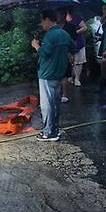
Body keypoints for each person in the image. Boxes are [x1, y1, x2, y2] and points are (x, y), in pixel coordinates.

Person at [31, 10, 75, 141]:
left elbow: (44, 53)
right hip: (58, 73)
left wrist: (36, 46)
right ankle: (55, 128)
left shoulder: (50, 35)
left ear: (47, 20)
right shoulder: (64, 33)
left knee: (47, 104)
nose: (41, 24)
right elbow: (73, 48)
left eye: (42, 21)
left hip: (47, 74)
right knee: (55, 102)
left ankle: (49, 132)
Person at [56, 9, 77, 103]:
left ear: (64, 15)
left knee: (65, 74)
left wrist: (71, 53)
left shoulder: (71, 27)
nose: (57, 17)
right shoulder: (54, 28)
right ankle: (57, 93)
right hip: (56, 54)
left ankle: (65, 94)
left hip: (67, 53)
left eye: (59, 14)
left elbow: (73, 41)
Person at [67, 9, 88, 86]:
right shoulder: (63, 20)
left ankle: (77, 79)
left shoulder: (77, 18)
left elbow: (85, 27)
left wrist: (75, 32)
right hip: (69, 42)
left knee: (78, 61)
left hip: (79, 42)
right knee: (70, 61)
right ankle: (71, 78)